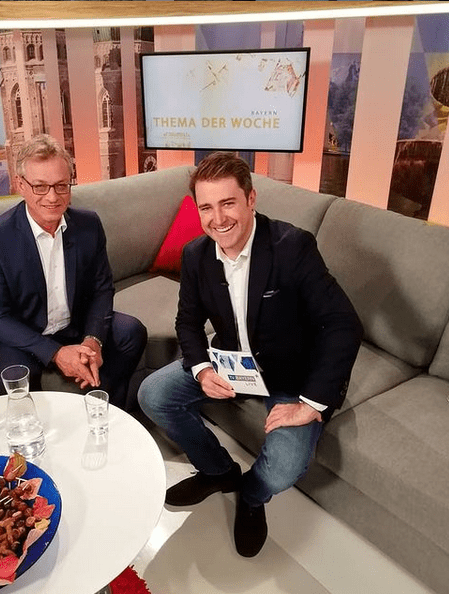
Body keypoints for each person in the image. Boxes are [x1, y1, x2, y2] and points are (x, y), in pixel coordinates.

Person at [138, 152, 362, 557]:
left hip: (292, 375)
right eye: (206, 207)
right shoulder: (196, 255)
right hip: (231, 362)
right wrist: (202, 369)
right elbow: (188, 322)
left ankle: (252, 496)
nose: (218, 219)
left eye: (228, 203)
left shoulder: (292, 247)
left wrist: (311, 404)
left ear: (251, 199)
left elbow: (343, 324)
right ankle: (218, 471)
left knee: (283, 469)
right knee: (153, 393)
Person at [0, 134, 147, 411]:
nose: (52, 197)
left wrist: (93, 341)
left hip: (71, 323)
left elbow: (101, 288)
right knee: (17, 376)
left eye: (61, 185)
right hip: (19, 332)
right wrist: (55, 353)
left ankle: (106, 411)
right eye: (40, 186)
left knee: (131, 332)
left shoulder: (89, 225)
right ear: (21, 185)